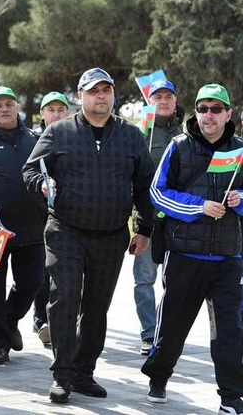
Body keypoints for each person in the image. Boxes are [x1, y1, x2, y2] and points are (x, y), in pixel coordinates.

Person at [22, 67, 155, 404]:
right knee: (65, 297)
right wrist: (42, 183)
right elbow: (29, 169)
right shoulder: (59, 132)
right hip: (66, 229)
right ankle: (62, 374)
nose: (101, 96)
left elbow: (144, 187)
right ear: (79, 96)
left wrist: (144, 229)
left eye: (106, 91)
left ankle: (84, 373)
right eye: (94, 91)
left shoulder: (131, 136)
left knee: (96, 307)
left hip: (111, 234)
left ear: (113, 96)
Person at [141, 84, 243, 413]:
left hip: (228, 258)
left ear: (229, 114)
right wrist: (199, 206)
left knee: (230, 332)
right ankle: (158, 377)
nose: (208, 115)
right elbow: (158, 194)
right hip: (184, 256)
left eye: (216, 109)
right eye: (202, 109)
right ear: (195, 112)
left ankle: (231, 397)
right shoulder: (179, 147)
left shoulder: (241, 151)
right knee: (171, 327)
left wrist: (240, 202)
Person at [0, 86, 45, 365]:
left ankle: (10, 317)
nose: (5, 109)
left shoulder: (36, 139)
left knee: (32, 281)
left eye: (10, 103)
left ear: (17, 107)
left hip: (33, 228)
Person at [133, 79, 183, 357]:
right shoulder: (140, 133)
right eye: (157, 97)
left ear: (176, 101)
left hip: (179, 217)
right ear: (149, 102)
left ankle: (168, 332)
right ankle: (149, 333)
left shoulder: (189, 132)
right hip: (148, 217)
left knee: (176, 279)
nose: (163, 101)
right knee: (144, 278)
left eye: (168, 97)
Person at [31, 91, 70, 347]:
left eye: (60, 110)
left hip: (68, 217)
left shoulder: (75, 138)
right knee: (41, 270)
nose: (56, 115)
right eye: (51, 110)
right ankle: (41, 320)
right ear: (42, 114)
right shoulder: (32, 140)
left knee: (64, 271)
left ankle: (62, 320)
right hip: (36, 216)